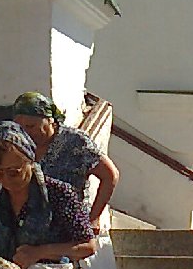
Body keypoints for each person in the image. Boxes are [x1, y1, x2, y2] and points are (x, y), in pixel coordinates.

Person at [0, 120, 97, 269]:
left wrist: (39, 252)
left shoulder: (59, 194)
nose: (6, 180)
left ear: (30, 160)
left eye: (14, 172)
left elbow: (88, 246)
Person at [12, 90, 120, 233]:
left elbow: (110, 175)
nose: (26, 132)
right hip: (31, 228)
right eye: (20, 128)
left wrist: (93, 218)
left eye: (31, 126)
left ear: (50, 120)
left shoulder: (75, 142)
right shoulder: (17, 144)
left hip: (70, 227)